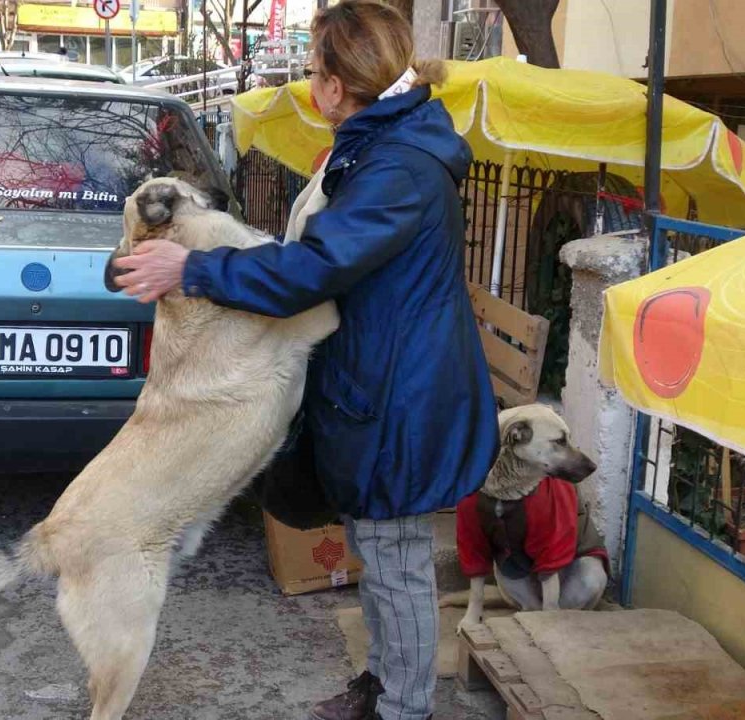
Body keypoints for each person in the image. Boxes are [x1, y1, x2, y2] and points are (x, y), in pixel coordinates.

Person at [112, 2, 499, 718]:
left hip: (401, 401)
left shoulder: (399, 167)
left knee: (396, 565)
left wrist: (191, 270)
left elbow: (312, 269)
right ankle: (380, 687)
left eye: (315, 70)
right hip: (381, 386)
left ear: (334, 85)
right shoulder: (384, 147)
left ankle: (402, 708)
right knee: (379, 559)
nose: (311, 85)